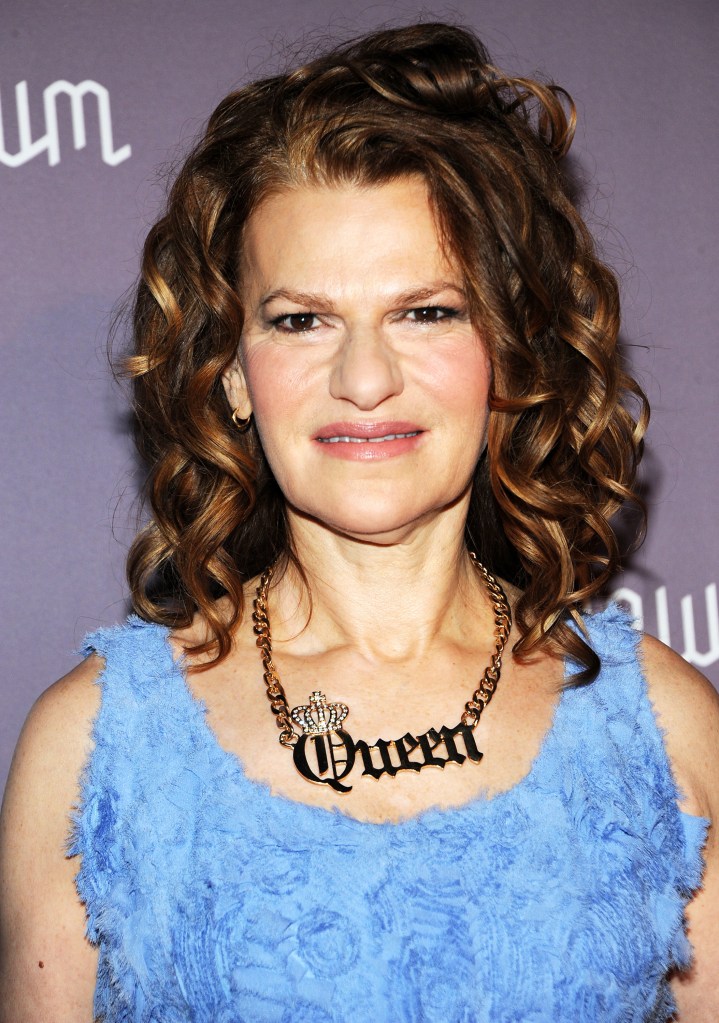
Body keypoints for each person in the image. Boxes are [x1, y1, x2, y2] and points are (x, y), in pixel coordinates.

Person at [0, 21, 717, 1023]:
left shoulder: (663, 730)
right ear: (233, 373)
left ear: (506, 350)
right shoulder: (89, 748)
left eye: (425, 311)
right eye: (301, 320)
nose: (365, 378)